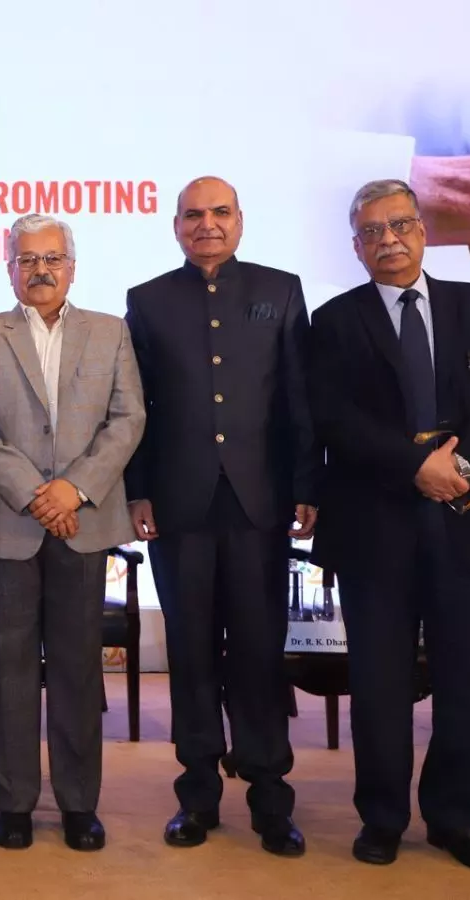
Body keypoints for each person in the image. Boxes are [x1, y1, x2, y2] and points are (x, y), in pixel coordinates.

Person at [308, 178, 470, 872]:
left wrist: (457, 466)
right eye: (372, 232)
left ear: (423, 231)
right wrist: (415, 467)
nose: (389, 240)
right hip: (374, 527)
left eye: (399, 225)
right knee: (379, 684)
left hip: (466, 516)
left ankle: (453, 819)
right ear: (356, 247)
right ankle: (382, 818)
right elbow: (333, 417)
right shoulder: (333, 321)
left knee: (467, 680)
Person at [122, 177, 320, 857]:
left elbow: (299, 398)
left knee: (260, 651)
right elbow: (137, 408)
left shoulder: (281, 290)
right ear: (176, 225)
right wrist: (137, 491)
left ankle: (270, 797)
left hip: (259, 502)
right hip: (179, 506)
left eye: (220, 212)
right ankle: (197, 796)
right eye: (193, 215)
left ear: (239, 220)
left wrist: (307, 484)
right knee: (192, 650)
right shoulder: (148, 300)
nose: (206, 224)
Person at [0, 213, 144, 851]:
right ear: (9, 269)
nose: (40, 270)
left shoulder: (111, 332)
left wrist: (73, 489)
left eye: (52, 258)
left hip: (84, 522)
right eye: (27, 259)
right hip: (7, 524)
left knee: (78, 668)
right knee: (6, 668)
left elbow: (128, 419)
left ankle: (79, 804)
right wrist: (40, 494)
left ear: (72, 267)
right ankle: (14, 804)